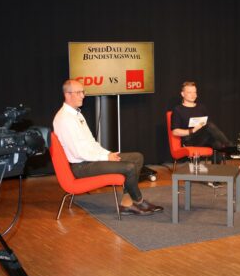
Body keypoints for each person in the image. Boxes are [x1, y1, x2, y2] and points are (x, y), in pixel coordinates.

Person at [53, 79, 163, 215]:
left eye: (83, 92)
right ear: (68, 95)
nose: (83, 95)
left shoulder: (77, 114)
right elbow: (78, 152)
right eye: (79, 92)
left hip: (90, 160)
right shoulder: (64, 119)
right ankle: (138, 202)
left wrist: (108, 154)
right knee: (129, 167)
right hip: (82, 166)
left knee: (137, 158)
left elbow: (91, 142)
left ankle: (127, 204)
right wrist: (105, 157)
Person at [171, 81, 234, 152]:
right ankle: (230, 146)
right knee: (209, 126)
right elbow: (175, 132)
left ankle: (222, 156)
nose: (193, 95)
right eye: (189, 92)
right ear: (182, 94)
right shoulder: (178, 109)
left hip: (203, 138)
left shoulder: (201, 107)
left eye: (195, 92)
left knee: (217, 142)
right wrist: (192, 130)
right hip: (189, 140)